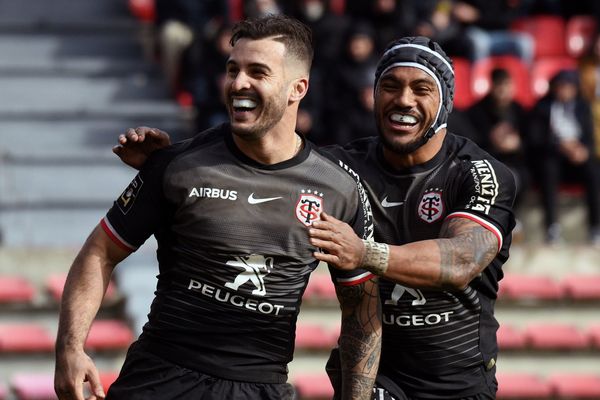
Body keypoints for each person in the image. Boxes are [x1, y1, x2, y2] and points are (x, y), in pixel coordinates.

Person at [114, 36, 516, 399]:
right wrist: (171, 163)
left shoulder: (479, 173)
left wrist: (364, 253)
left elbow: (462, 259)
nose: (404, 100)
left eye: (421, 89)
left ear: (446, 102)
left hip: (458, 381)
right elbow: (266, 162)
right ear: (373, 95)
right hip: (376, 377)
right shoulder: (339, 171)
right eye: (390, 86)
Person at [54, 15, 381, 400]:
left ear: (298, 88)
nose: (238, 83)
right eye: (232, 69)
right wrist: (70, 350)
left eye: (257, 72)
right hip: (160, 378)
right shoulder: (177, 163)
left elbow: (362, 311)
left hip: (259, 387)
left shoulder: (338, 190)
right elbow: (99, 252)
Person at [529, 69, 600, 244]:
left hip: (578, 158)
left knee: (593, 172)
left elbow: (590, 138)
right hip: (553, 156)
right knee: (548, 169)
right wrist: (560, 146)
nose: (564, 91)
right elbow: (535, 140)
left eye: (568, 87)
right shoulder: (542, 107)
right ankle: (552, 228)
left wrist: (584, 151)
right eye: (561, 86)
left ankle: (595, 228)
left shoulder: (583, 107)